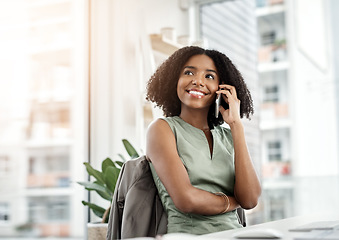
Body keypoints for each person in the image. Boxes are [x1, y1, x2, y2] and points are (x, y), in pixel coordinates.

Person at [145, 46, 261, 235]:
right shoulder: (161, 129)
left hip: (235, 234)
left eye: (209, 76)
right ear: (175, 79)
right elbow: (187, 200)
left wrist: (236, 126)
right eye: (189, 72)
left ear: (221, 88)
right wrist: (232, 201)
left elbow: (250, 200)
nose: (198, 81)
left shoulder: (228, 136)